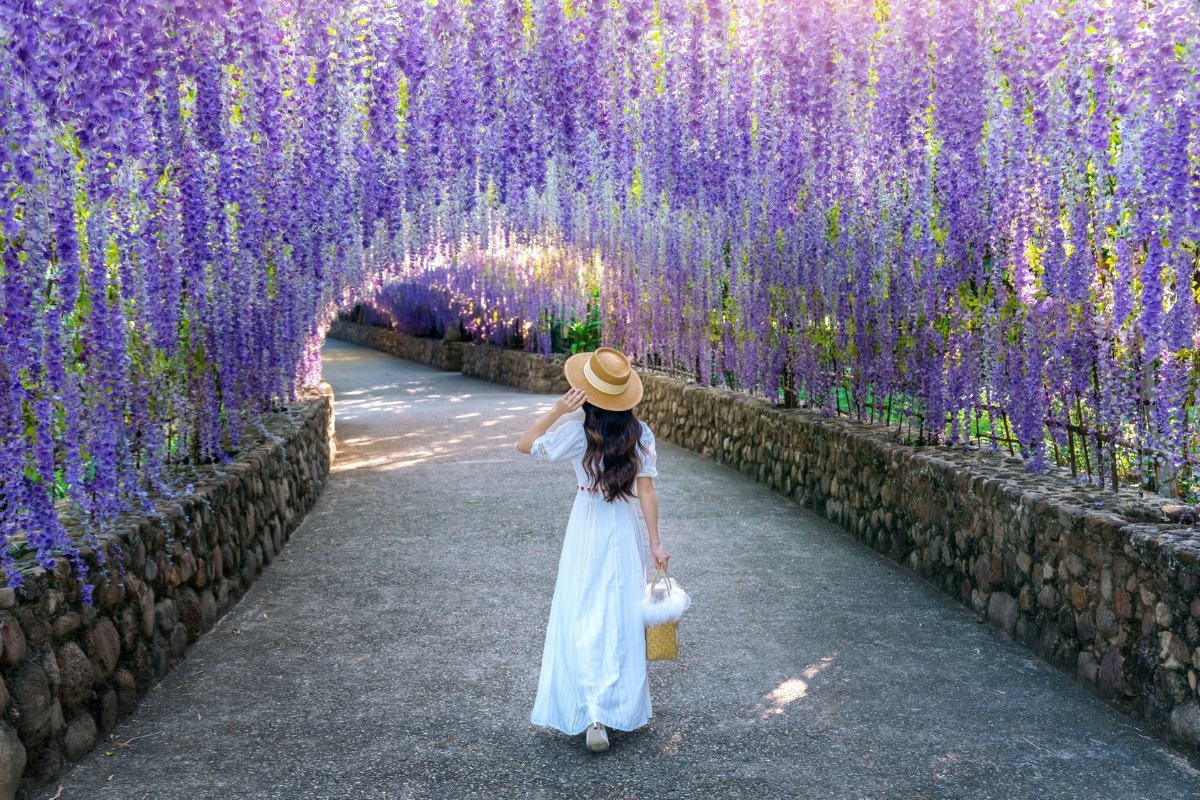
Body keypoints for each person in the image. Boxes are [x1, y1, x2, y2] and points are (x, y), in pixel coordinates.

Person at [517, 347, 669, 753]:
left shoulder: (574, 430)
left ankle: (592, 713)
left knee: (582, 611)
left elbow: (524, 443)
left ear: (587, 391)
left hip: (585, 524)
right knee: (618, 614)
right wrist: (656, 542)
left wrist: (556, 409)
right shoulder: (641, 434)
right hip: (622, 527)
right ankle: (614, 708)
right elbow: (647, 490)